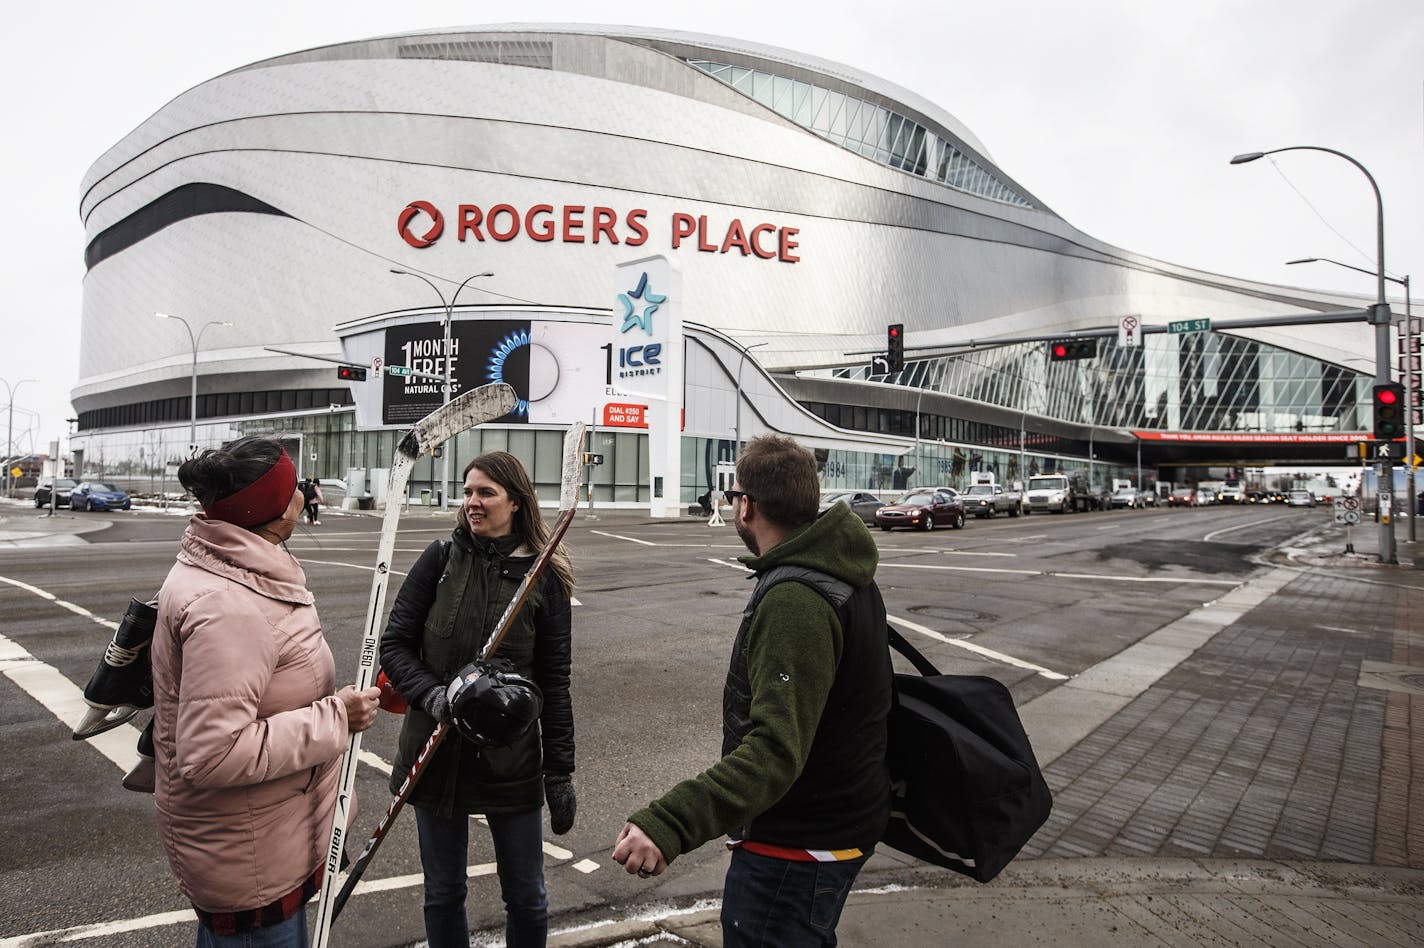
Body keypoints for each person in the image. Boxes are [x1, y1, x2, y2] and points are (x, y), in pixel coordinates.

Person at [612, 434, 892, 947]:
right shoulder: (838, 573)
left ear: (747, 507)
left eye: (732, 494)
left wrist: (669, 822)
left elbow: (774, 751)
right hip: (829, 827)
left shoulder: (796, 599)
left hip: (799, 845)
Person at [150, 437, 381, 947]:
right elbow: (213, 754)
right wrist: (336, 716)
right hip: (250, 857)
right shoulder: (230, 606)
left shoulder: (230, 568)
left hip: (263, 837)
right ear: (274, 512)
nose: (303, 494)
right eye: (293, 487)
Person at [380, 451, 576, 948]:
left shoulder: (543, 577)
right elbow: (395, 646)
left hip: (510, 762)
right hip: (435, 752)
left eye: (486, 492)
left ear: (515, 502)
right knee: (444, 893)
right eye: (468, 492)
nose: (473, 502)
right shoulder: (440, 560)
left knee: (527, 896)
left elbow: (555, 682)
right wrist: (432, 695)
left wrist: (559, 770)